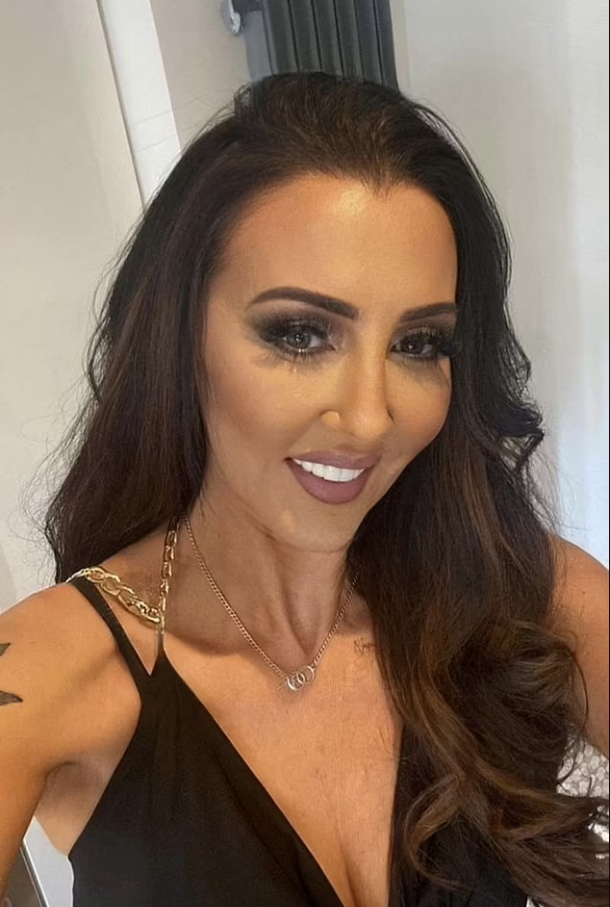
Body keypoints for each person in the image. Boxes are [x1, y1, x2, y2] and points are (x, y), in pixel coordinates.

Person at [0, 71, 607, 907]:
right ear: (181, 338)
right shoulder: (51, 671)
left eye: (419, 343)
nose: (368, 418)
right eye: (299, 333)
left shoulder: (524, 593)